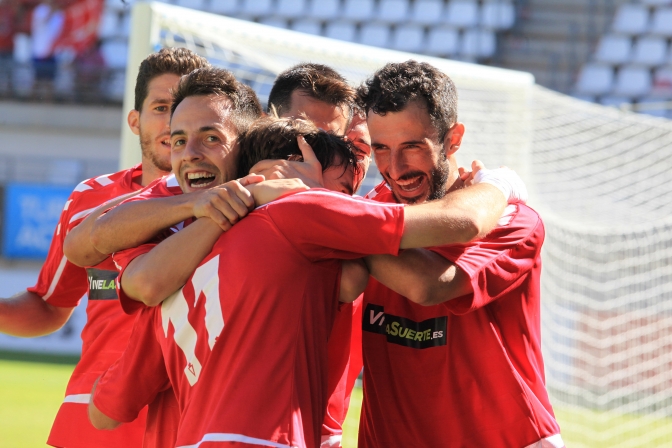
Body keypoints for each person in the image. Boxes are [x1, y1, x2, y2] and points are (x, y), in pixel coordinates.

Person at [88, 115, 518, 448]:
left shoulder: (178, 269)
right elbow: (460, 224)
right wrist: (499, 184)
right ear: (290, 172)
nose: (347, 202)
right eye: (342, 190)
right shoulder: (299, 211)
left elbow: (105, 411)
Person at [0, 47, 209, 448]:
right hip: (93, 420)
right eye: (161, 107)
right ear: (134, 121)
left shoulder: (232, 203)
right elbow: (48, 306)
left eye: (184, 109)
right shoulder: (91, 200)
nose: (173, 122)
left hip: (189, 419)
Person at [352, 60, 564, 447]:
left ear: (453, 139)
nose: (395, 169)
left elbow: (430, 285)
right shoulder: (365, 212)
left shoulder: (512, 220)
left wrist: (331, 226)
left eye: (412, 146)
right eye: (381, 148)